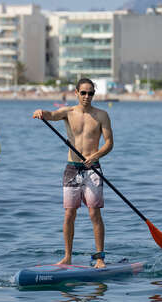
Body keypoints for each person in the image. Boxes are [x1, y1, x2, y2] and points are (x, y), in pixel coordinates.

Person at [32, 78, 114, 268]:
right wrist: (41, 112)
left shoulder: (102, 115)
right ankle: (67, 257)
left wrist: (95, 155)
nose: (87, 97)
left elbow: (109, 143)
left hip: (93, 169)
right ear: (76, 93)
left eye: (91, 93)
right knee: (69, 214)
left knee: (94, 213)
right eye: (83, 93)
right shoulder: (68, 112)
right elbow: (51, 115)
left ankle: (100, 258)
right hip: (72, 168)